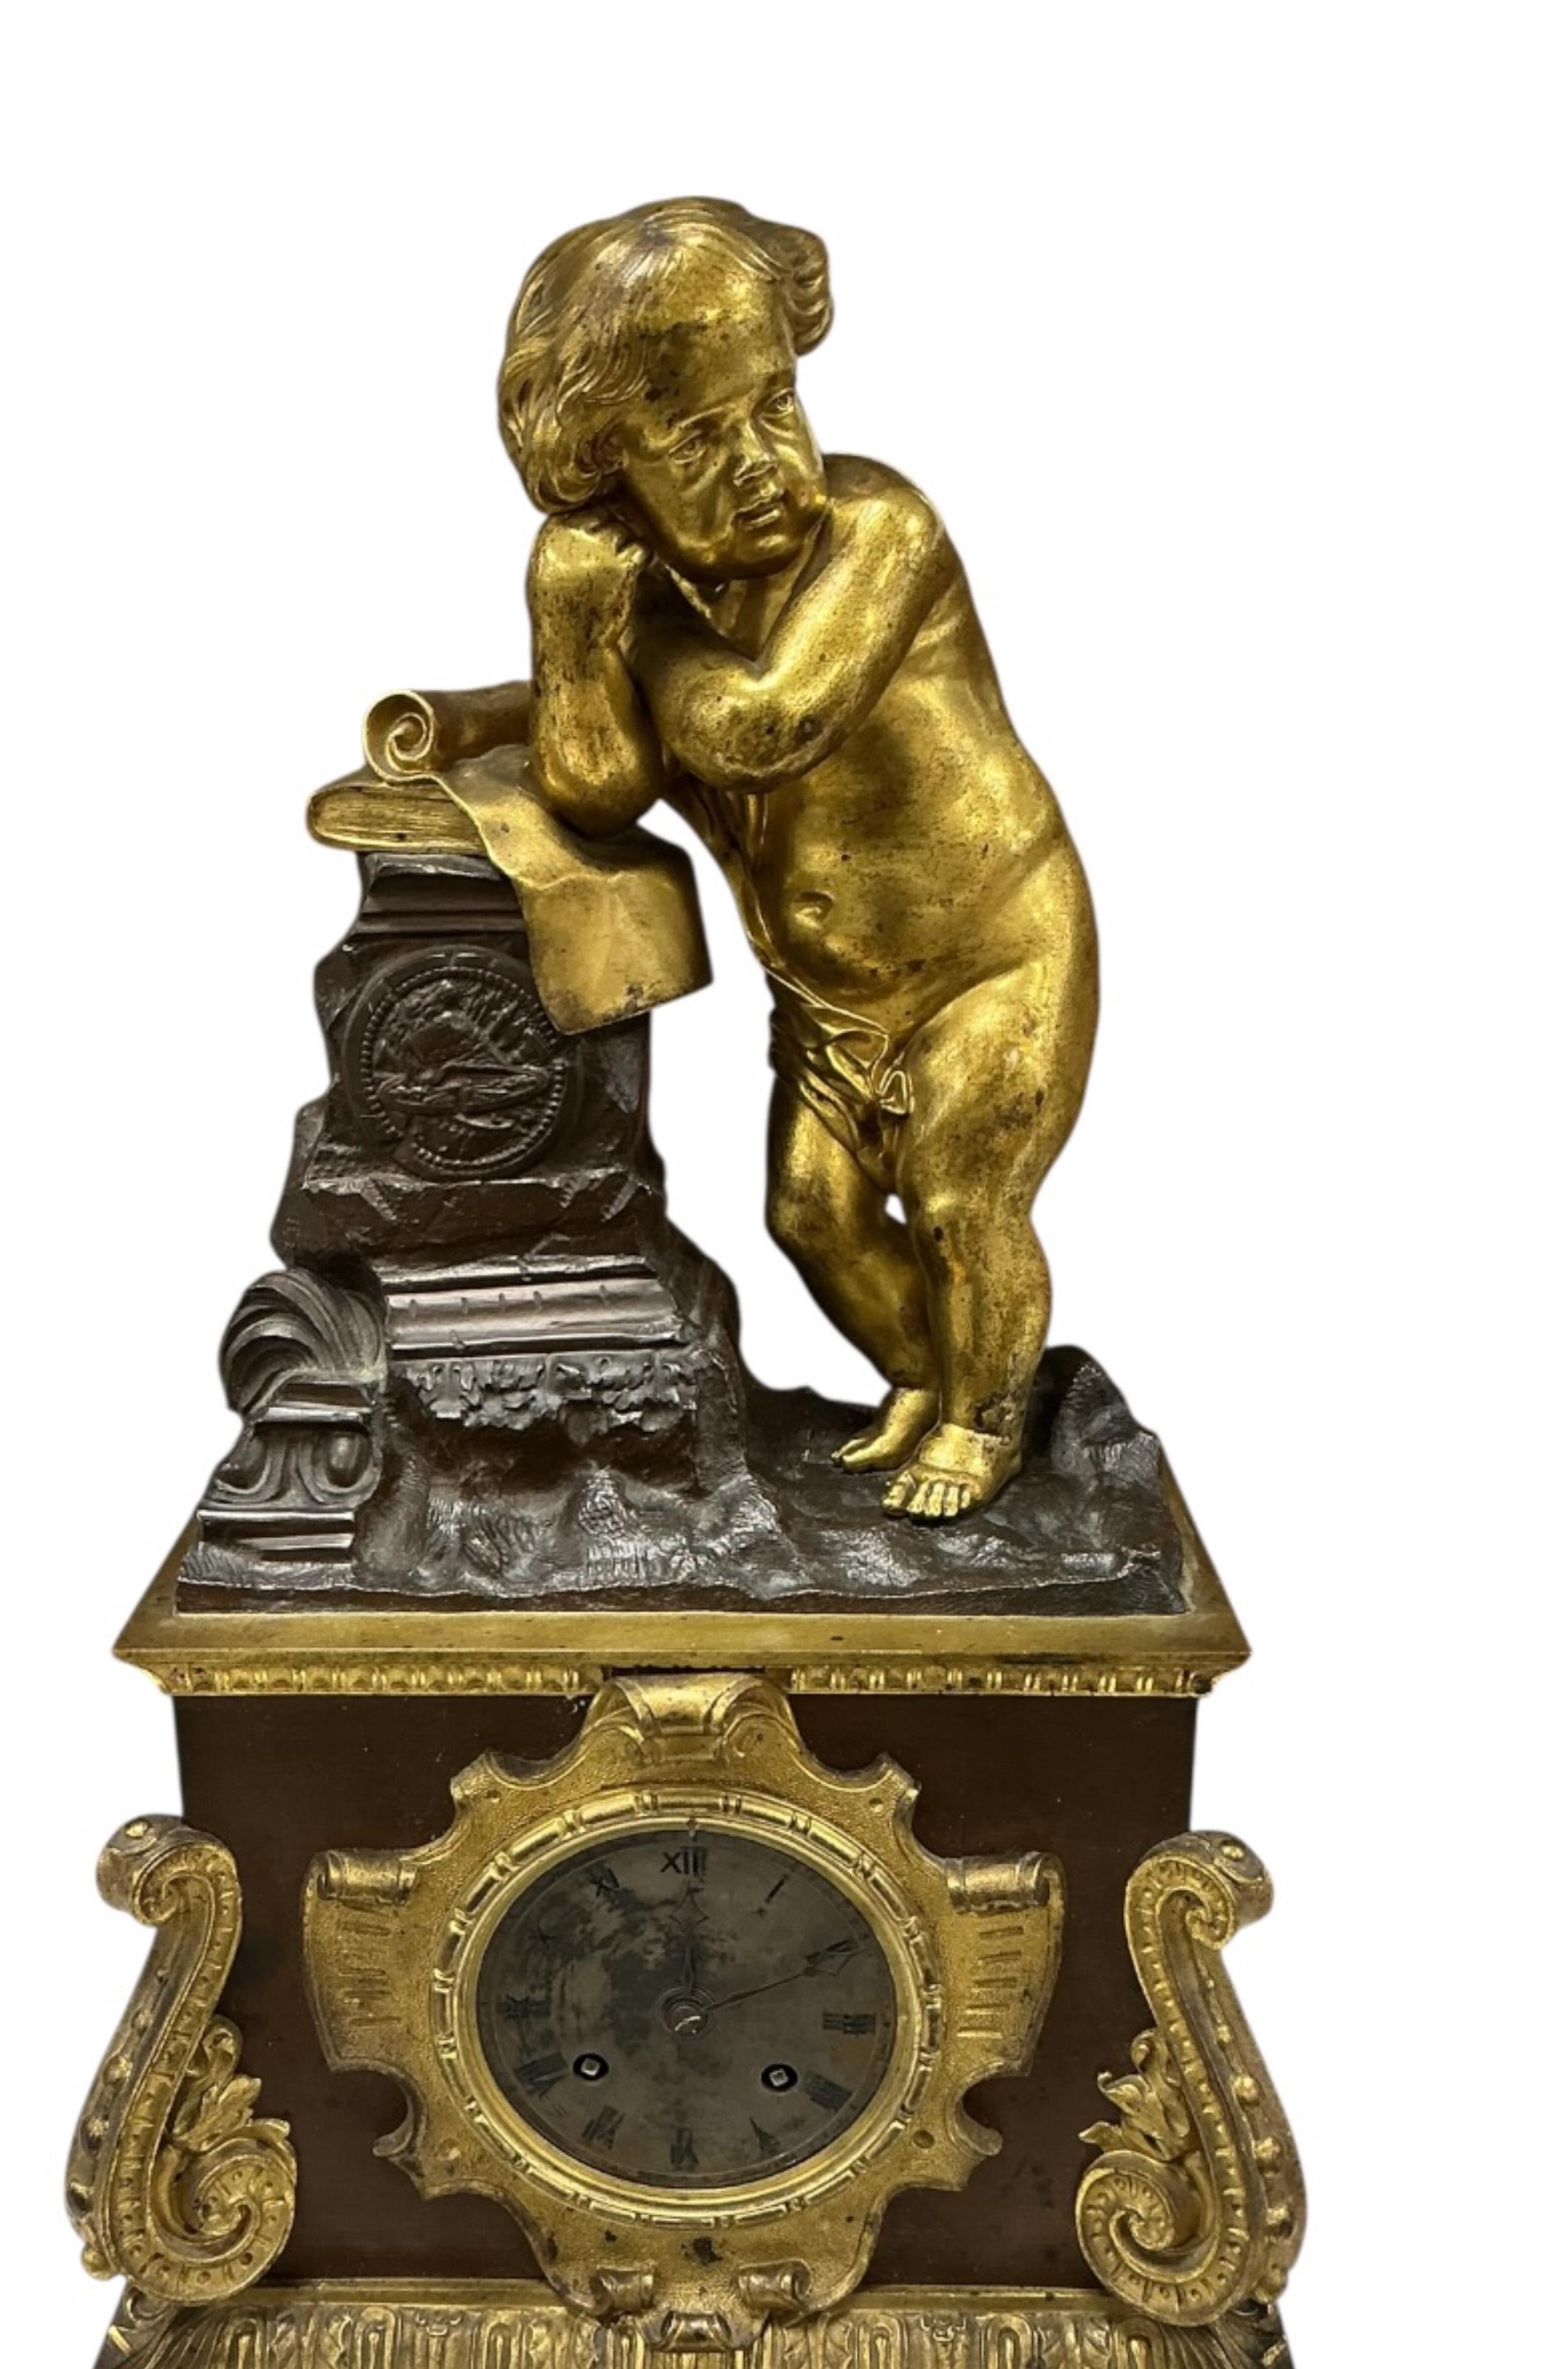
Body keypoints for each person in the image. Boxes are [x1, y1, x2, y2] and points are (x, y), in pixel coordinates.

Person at [502, 200, 1099, 1521]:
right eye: (697, 440)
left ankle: (988, 1425)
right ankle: (930, 1373)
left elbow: (764, 726)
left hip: (992, 957)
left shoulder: (882, 534)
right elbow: (598, 786)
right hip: (830, 999)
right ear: (606, 466)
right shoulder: (641, 582)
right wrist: (571, 616)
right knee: (811, 1218)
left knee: (960, 1198)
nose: (763, 462)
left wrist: (639, 633)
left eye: (773, 403)